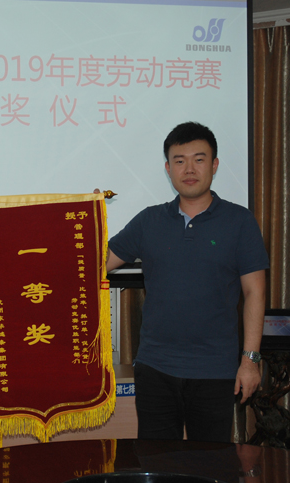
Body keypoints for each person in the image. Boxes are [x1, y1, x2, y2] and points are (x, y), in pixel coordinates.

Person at [106, 122, 269, 443]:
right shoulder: (149, 220)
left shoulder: (240, 221)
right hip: (155, 368)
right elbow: (94, 264)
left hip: (215, 371)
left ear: (214, 165)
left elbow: (255, 293)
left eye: (199, 159)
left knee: (209, 464)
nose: (189, 169)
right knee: (156, 461)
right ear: (168, 169)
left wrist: (250, 361)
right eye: (179, 161)